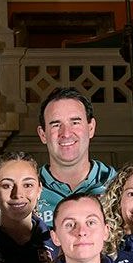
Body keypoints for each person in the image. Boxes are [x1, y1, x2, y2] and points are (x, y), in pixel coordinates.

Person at [34, 87, 116, 227]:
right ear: (43, 134)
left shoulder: (118, 185)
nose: (66, 133)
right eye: (56, 125)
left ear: (91, 128)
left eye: (75, 122)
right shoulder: (27, 191)